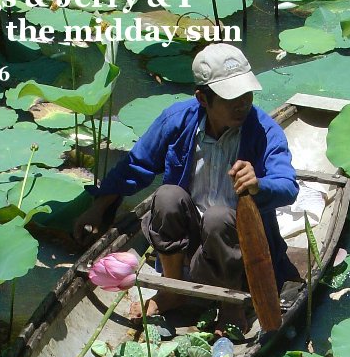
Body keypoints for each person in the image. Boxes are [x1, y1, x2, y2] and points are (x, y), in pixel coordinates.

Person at [73, 43, 298, 331]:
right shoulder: (178, 120)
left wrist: (259, 185)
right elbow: (135, 166)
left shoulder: (264, 131)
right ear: (203, 98)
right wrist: (98, 208)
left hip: (239, 247)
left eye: (247, 94)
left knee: (218, 217)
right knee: (167, 196)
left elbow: (288, 186)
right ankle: (172, 288)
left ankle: (231, 304)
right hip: (189, 243)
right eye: (231, 97)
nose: (242, 103)